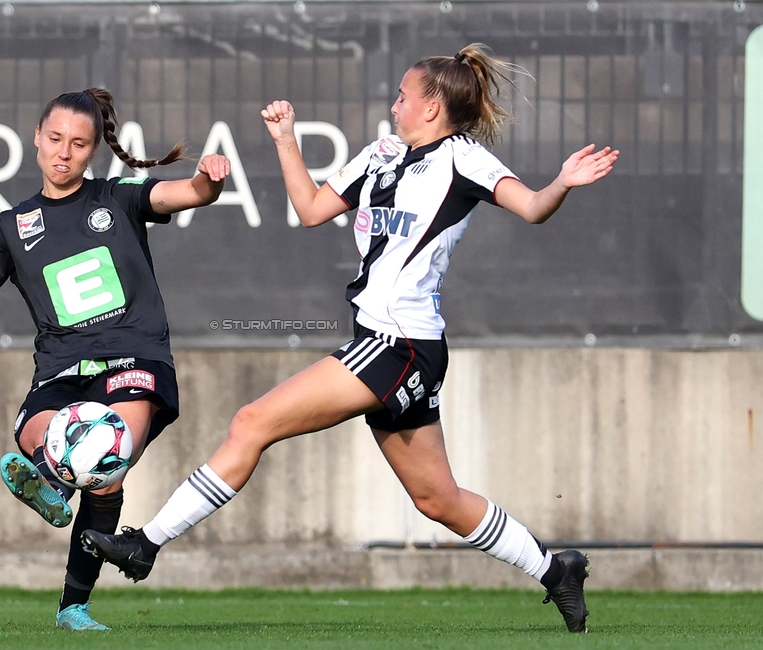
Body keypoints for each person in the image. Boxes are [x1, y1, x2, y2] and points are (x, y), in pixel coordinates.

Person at [81, 43, 618, 634]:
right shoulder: (380, 154)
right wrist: (286, 140)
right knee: (437, 500)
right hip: (394, 345)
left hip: (400, 344)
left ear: (432, 107)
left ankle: (146, 545)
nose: (394, 106)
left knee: (252, 422)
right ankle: (556, 569)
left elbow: (534, 208)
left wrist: (562, 182)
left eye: (403, 96)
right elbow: (311, 209)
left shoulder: (465, 160)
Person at [0, 87, 231, 631]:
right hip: (61, 369)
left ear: (93, 150)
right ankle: (51, 481)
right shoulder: (11, 227)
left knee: (106, 461)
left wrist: (210, 180)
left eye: (78, 144)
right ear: (36, 138)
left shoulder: (118, 197)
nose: (64, 152)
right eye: (55, 139)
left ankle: (72, 598)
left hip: (134, 359)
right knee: (38, 431)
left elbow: (190, 193)